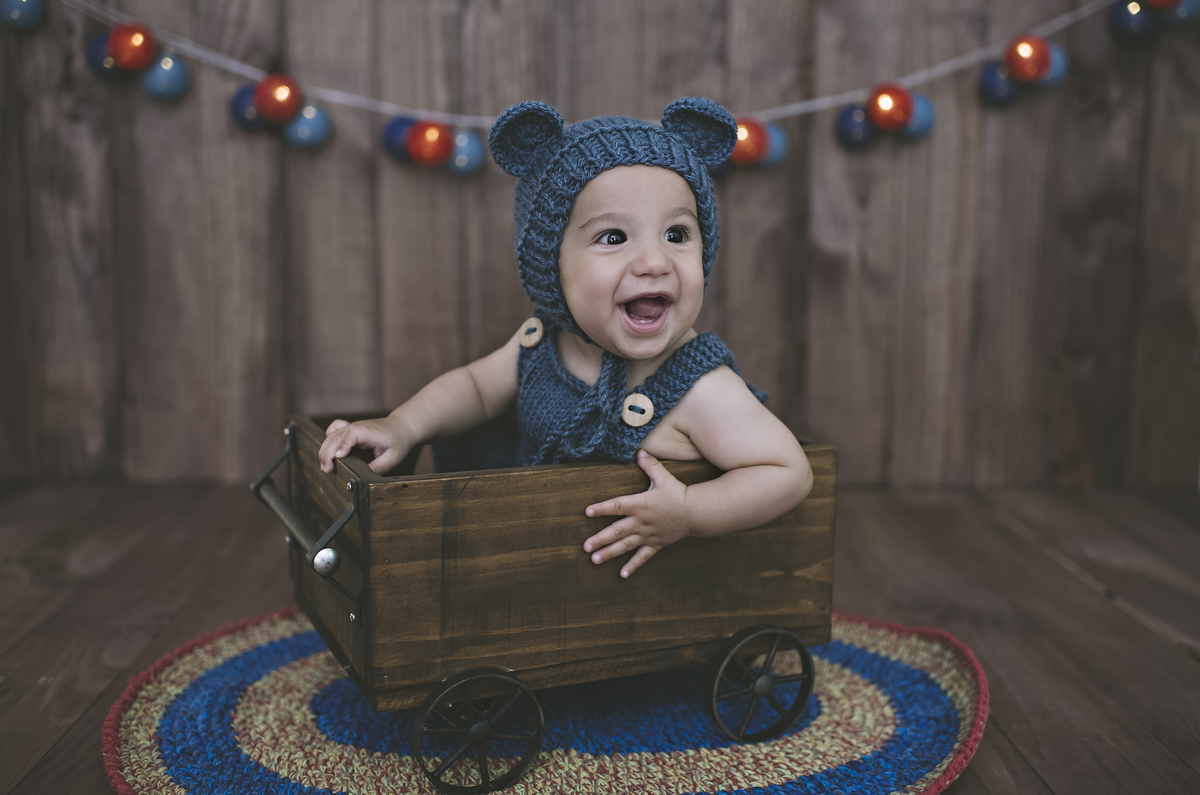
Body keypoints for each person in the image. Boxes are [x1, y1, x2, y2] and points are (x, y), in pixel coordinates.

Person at [319, 98, 812, 578]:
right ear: (551, 266)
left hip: (639, 595)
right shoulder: (542, 342)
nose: (654, 261)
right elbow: (474, 388)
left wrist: (687, 510)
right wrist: (402, 426)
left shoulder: (701, 388)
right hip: (531, 566)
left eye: (677, 235)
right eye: (614, 238)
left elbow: (788, 471)